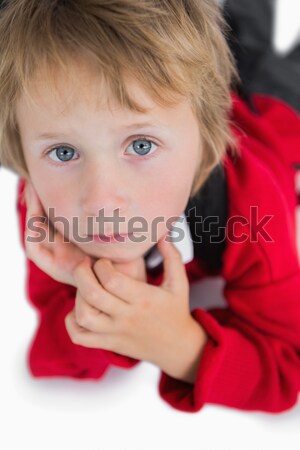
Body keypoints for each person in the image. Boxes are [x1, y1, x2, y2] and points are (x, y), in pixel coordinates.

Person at [0, 0, 299, 414]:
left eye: (141, 145)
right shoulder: (44, 207)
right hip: (199, 88)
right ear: (22, 157)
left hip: (279, 111)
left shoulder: (250, 213)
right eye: (64, 152)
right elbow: (49, 357)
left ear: (205, 146)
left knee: (252, 34)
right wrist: (98, 286)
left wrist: (179, 345)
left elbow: (285, 372)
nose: (102, 200)